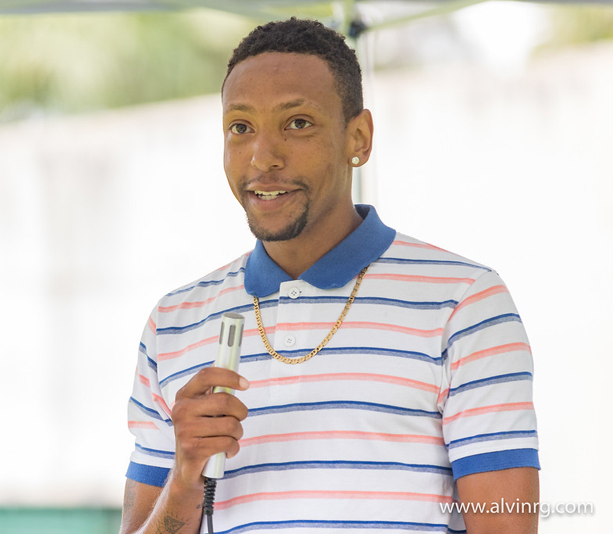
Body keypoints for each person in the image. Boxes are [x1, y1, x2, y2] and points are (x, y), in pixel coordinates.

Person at [121, 18, 539, 534]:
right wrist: (185, 479)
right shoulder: (172, 323)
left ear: (358, 138)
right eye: (240, 127)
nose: (262, 157)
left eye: (297, 123)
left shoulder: (466, 305)